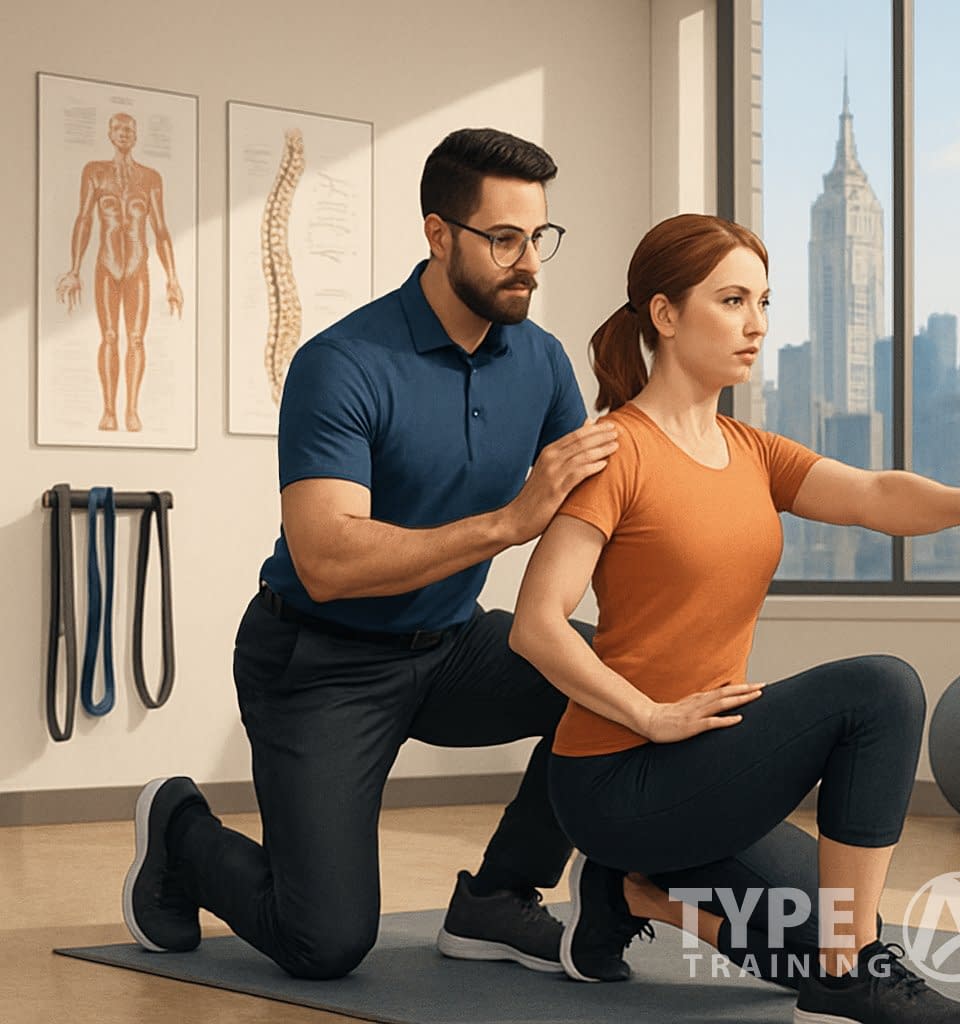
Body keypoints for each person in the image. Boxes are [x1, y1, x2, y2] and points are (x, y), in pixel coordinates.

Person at [120, 127, 623, 980]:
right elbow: (328, 558)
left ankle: (498, 899)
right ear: (439, 235)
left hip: (451, 646)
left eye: (539, 237)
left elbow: (597, 506)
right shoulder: (342, 363)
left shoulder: (538, 360)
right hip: (320, 658)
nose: (529, 262)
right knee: (325, 943)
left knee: (612, 683)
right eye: (504, 239)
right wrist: (506, 523)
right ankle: (179, 832)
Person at [508, 213, 960, 1022]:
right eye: (733, 299)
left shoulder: (752, 451)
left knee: (837, 916)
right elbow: (535, 622)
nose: (758, 325)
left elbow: (876, 494)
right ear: (665, 316)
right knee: (880, 688)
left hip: (706, 770)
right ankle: (853, 973)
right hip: (617, 780)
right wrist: (650, 715)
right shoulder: (614, 451)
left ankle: (631, 897)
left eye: (764, 302)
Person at [56, 112, 184, 433]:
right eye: (118, 128)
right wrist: (74, 269)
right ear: (110, 135)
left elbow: (161, 230)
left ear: (136, 135)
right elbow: (84, 220)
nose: (124, 133)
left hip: (137, 267)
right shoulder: (95, 173)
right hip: (106, 266)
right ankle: (109, 410)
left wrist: (172, 278)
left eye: (129, 128)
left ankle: (132, 410)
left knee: (137, 339)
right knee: (110, 336)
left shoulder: (150, 178)